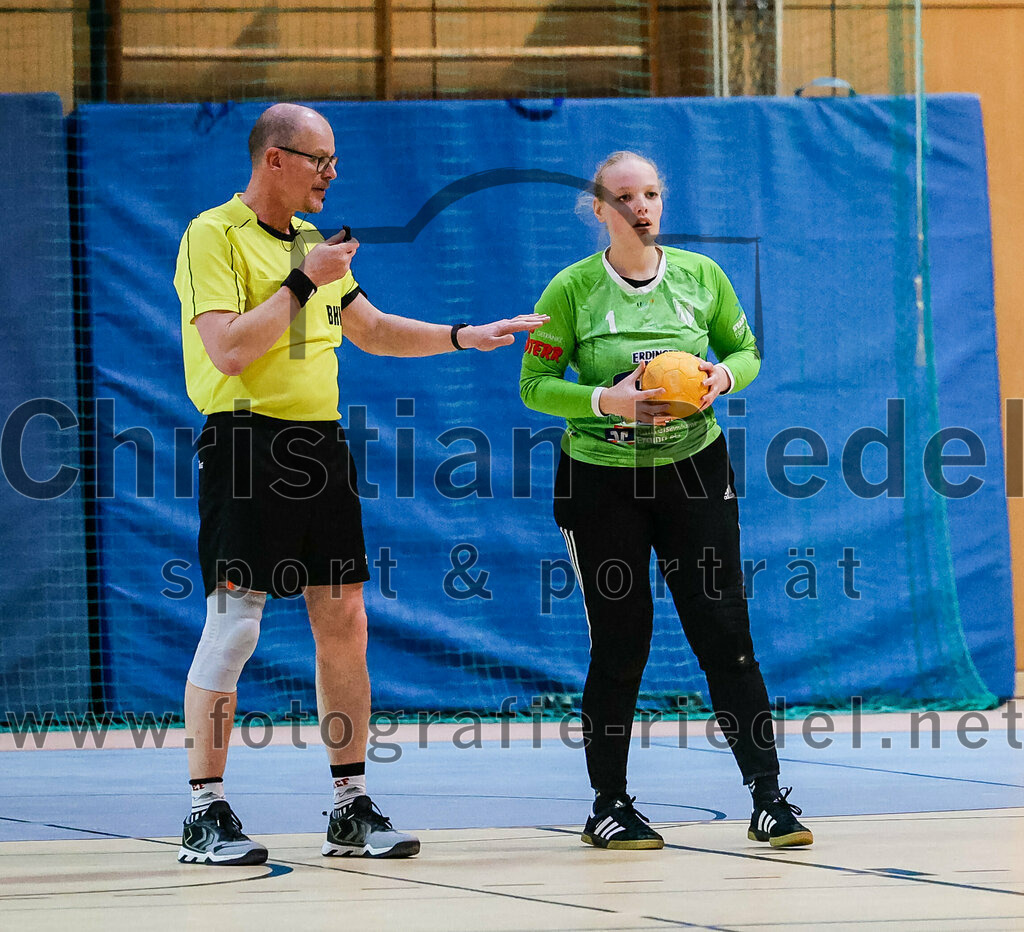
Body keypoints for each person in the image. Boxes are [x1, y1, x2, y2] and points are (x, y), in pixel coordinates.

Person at [172, 102, 547, 865]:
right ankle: (204, 812)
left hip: (321, 445)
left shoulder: (314, 245)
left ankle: (350, 804)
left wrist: (460, 337)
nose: (330, 173)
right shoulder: (214, 234)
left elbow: (369, 329)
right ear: (273, 158)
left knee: (344, 623)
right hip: (245, 440)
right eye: (317, 158)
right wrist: (304, 282)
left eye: (333, 159)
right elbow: (231, 351)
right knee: (237, 624)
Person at [519, 151, 813, 850]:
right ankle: (609, 804)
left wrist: (721, 378)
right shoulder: (571, 291)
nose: (640, 206)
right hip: (601, 480)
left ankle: (768, 798)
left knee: (725, 634)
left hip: (693, 473)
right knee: (622, 643)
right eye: (624, 196)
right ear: (599, 209)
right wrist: (606, 399)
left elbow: (745, 353)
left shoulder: (701, 277)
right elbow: (534, 384)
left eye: (651, 193)